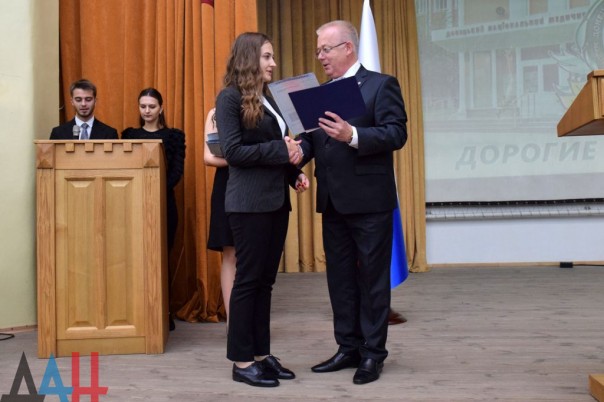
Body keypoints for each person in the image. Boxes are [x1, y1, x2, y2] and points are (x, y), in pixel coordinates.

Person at [295, 20, 407, 385]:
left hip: (370, 203)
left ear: (348, 48)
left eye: (326, 49)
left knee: (372, 280)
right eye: (318, 51)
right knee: (340, 281)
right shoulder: (321, 92)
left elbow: (396, 133)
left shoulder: (381, 85)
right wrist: (297, 152)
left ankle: (373, 354)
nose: (320, 56)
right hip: (333, 201)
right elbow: (313, 139)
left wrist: (353, 134)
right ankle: (348, 347)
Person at [215, 32, 310, 388]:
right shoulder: (229, 97)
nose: (273, 63)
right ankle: (241, 362)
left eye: (272, 57)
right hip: (248, 204)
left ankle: (260, 354)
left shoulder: (268, 97)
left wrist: (293, 174)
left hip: (275, 202)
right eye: (267, 56)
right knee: (248, 281)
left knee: (265, 283)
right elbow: (234, 152)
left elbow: (276, 147)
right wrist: (281, 152)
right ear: (249, 58)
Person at [121, 88, 186, 330]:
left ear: (161, 108)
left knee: (161, 259)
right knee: (134, 258)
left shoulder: (174, 136)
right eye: (143, 106)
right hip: (133, 205)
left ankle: (163, 313)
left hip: (164, 204)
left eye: (152, 106)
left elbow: (177, 171)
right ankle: (137, 314)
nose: (147, 111)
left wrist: (155, 190)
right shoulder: (129, 135)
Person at [203, 107, 236, 322]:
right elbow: (208, 157)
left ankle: (252, 318)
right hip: (227, 184)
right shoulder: (216, 112)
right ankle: (234, 322)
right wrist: (243, 157)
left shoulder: (263, 108)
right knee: (230, 253)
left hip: (256, 184)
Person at [49, 79, 118, 140]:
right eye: (78, 100)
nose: (83, 104)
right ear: (72, 102)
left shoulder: (110, 134)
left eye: (88, 99)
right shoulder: (58, 133)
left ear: (95, 101)